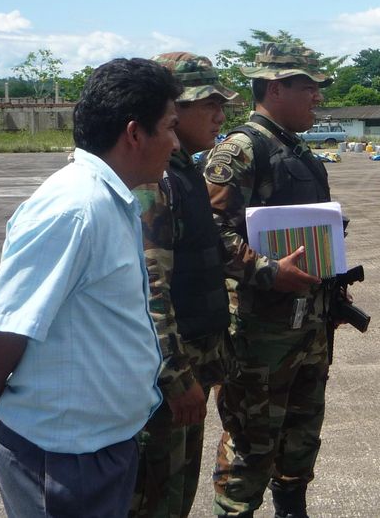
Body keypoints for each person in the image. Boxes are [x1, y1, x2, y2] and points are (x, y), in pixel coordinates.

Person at [0, 58, 181, 517]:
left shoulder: (111, 200)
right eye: (171, 127)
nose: (177, 143)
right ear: (135, 134)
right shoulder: (74, 210)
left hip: (96, 447)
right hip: (63, 459)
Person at [204, 42, 334, 518]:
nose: (317, 98)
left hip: (307, 325)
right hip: (258, 333)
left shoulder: (298, 150)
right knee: (251, 443)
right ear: (276, 88)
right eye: (309, 88)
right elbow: (208, 230)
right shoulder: (241, 149)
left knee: (301, 435)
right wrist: (265, 270)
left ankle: (291, 507)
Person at [130, 52, 239, 518]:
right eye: (206, 104)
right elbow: (151, 287)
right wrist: (176, 379)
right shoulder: (158, 181)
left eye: (221, 103)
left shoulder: (185, 170)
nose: (219, 115)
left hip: (189, 367)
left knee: (176, 495)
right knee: (158, 499)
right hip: (166, 384)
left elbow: (210, 249)